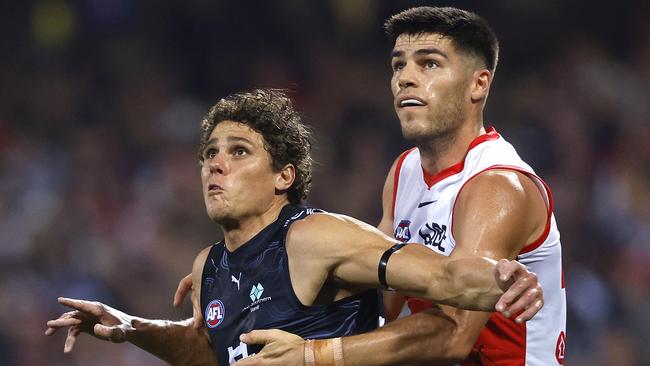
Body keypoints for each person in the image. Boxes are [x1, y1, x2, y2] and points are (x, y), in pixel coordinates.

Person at [45, 89, 543, 366]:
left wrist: (503, 282)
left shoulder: (314, 237)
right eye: (209, 154)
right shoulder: (210, 264)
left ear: (284, 176)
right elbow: (211, 354)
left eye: (239, 152)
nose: (216, 165)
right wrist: (131, 327)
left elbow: (442, 282)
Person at [221, 7, 566, 366]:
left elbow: (453, 333)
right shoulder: (405, 171)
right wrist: (233, 273)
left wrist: (312, 355)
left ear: (478, 84)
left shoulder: (497, 187)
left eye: (429, 64)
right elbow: (379, 300)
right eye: (399, 65)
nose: (406, 78)